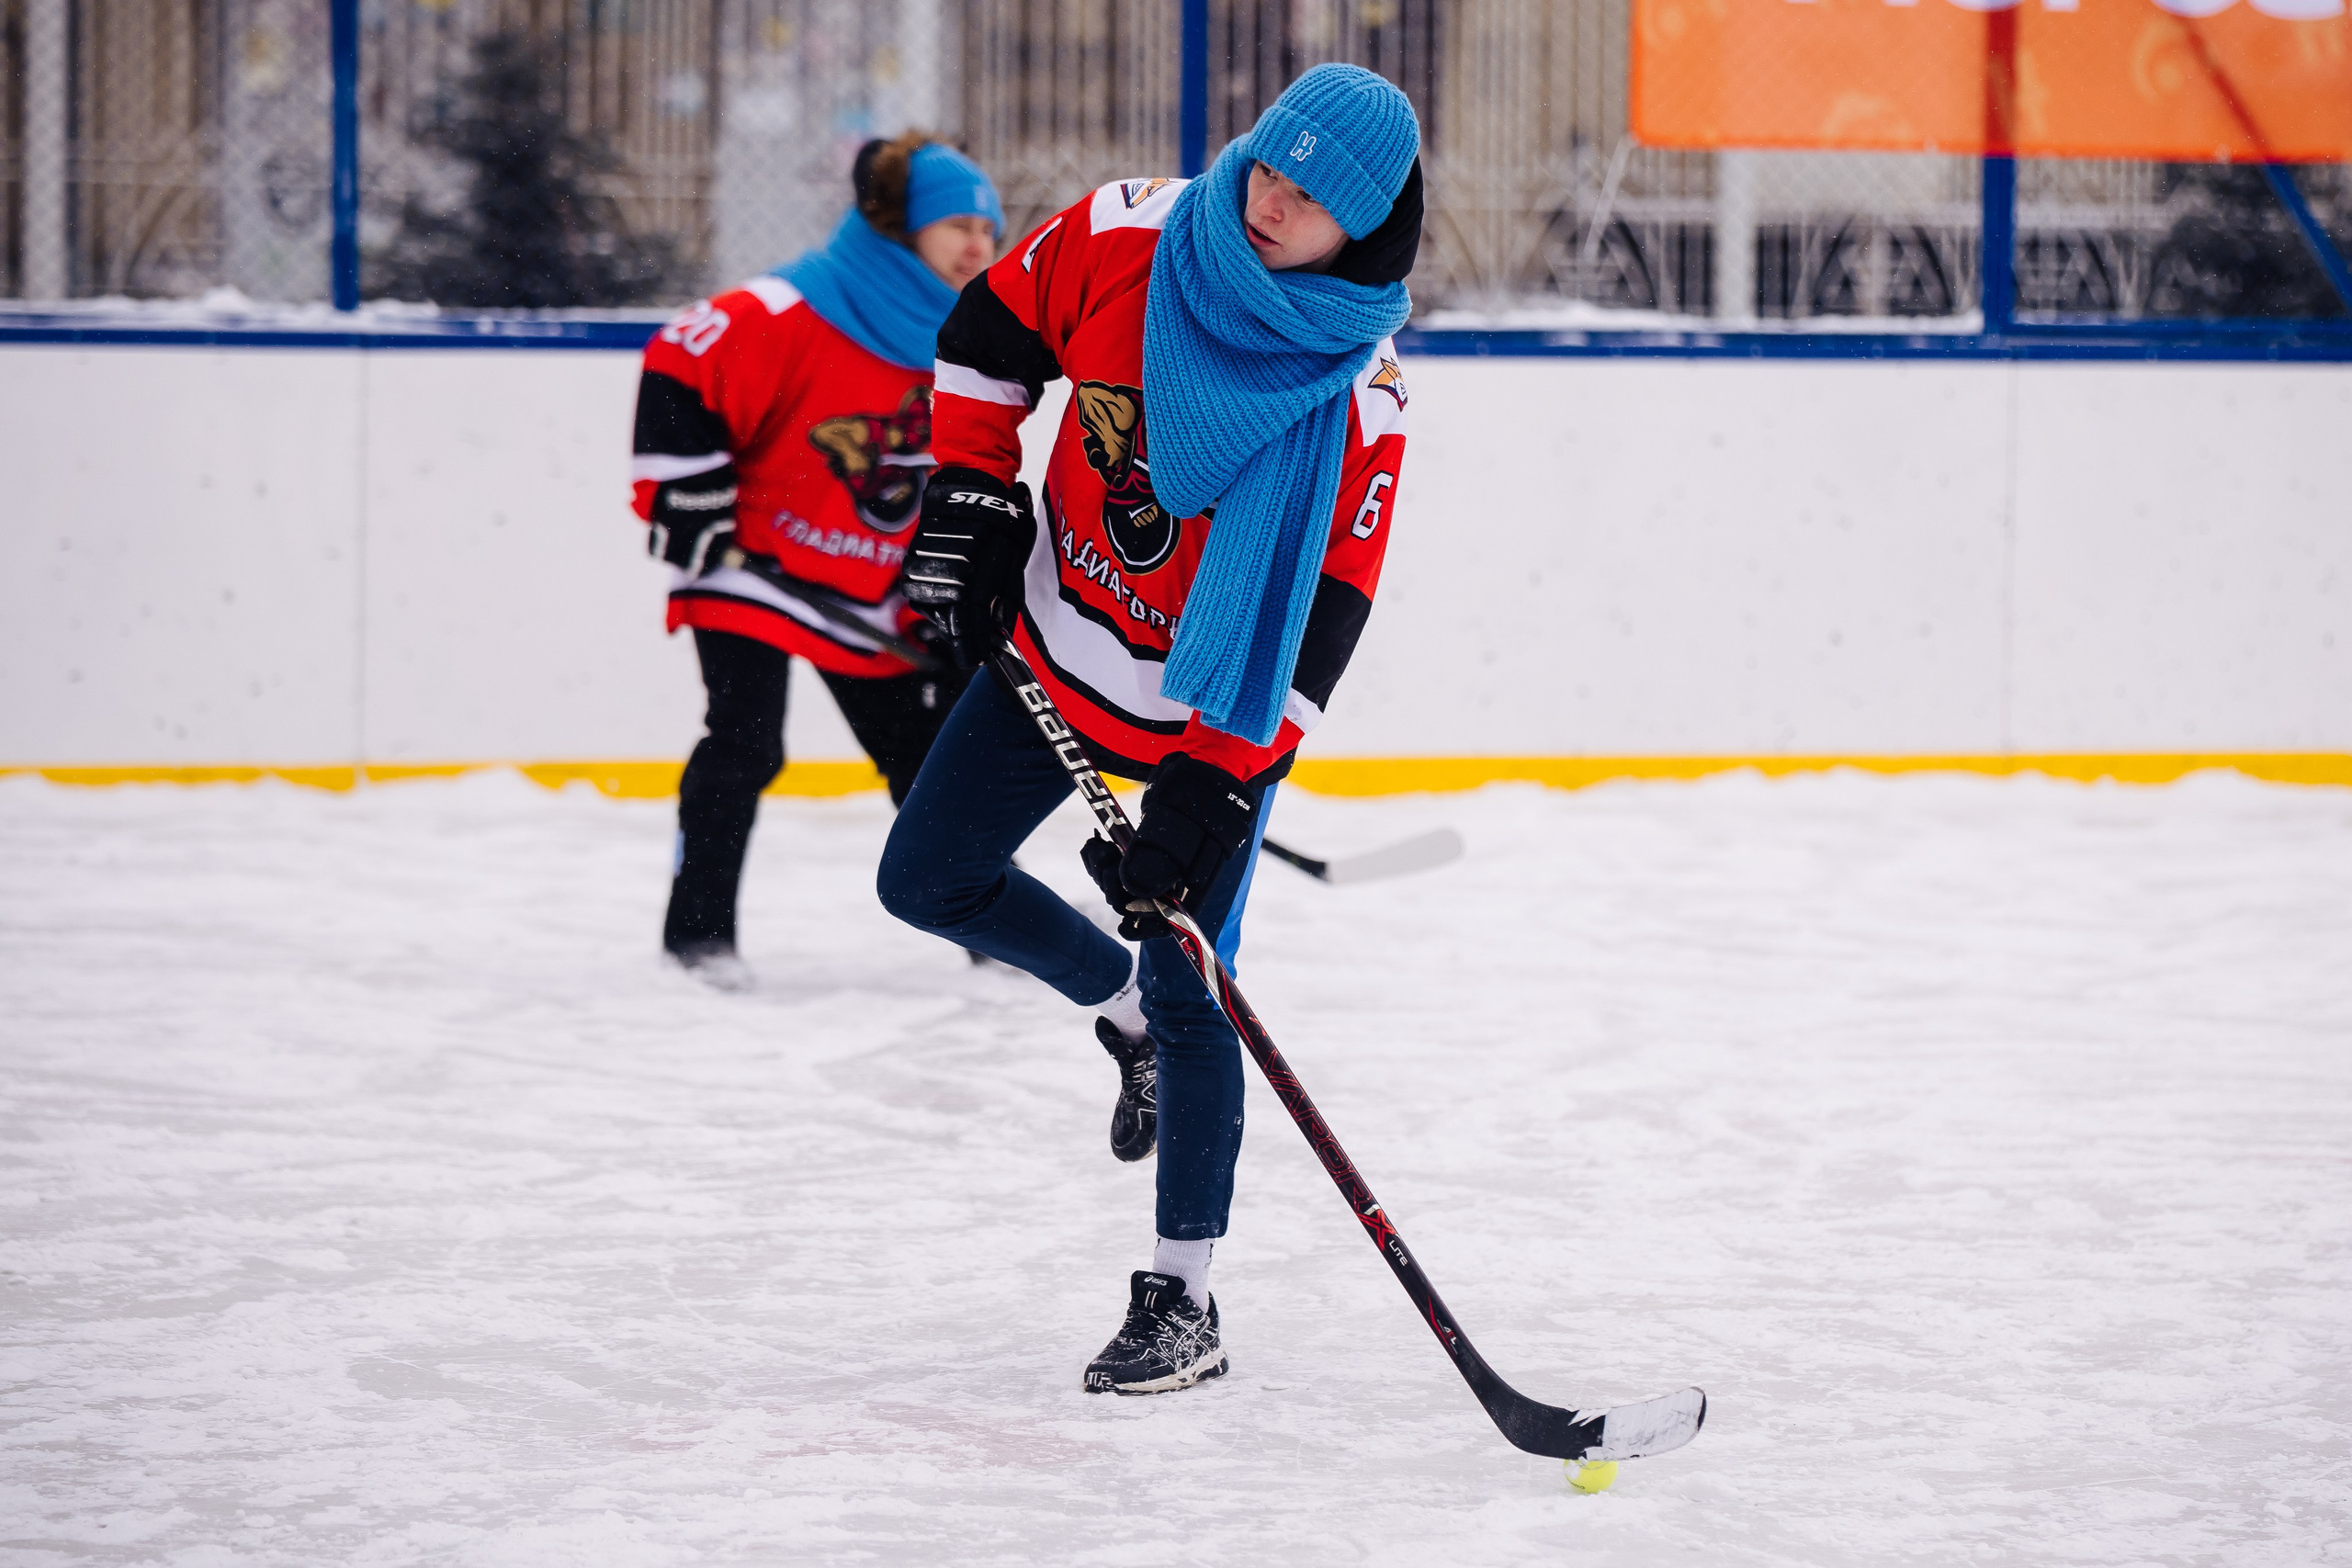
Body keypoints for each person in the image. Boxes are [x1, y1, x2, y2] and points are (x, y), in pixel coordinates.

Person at [877, 65, 1421, 1393]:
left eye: (1307, 200)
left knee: (1194, 990)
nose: (1267, 204)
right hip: (1057, 644)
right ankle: (1112, 1005)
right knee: (925, 878)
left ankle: (1186, 1298)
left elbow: (1325, 618)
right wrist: (974, 488)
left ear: (1368, 225)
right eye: (1265, 169)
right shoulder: (1130, 233)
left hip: (1209, 708)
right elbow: (986, 336)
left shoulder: (1360, 393)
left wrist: (1215, 790)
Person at [630, 133, 1004, 988]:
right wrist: (683, 490)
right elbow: (680, 353)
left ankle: (999, 920)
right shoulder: (794, 305)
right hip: (753, 563)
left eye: (989, 229)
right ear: (900, 225)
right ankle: (698, 937)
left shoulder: (965, 330)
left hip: (868, 582)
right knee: (745, 742)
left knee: (932, 756)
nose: (979, 246)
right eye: (957, 225)